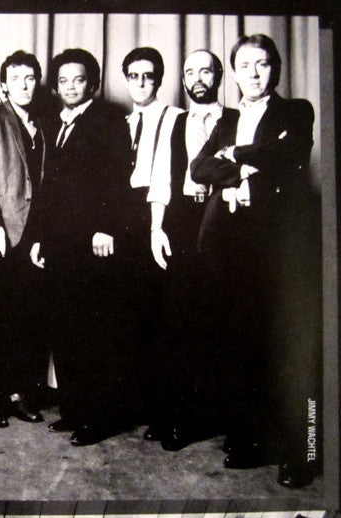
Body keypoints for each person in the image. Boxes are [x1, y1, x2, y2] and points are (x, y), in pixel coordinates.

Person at [191, 34, 321, 488]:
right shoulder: (227, 119)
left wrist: (235, 155)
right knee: (242, 340)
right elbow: (198, 168)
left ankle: (300, 452)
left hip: (279, 244)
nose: (252, 73)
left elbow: (290, 153)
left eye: (261, 64)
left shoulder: (296, 110)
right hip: (231, 244)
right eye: (244, 65)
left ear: (275, 69)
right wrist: (244, 166)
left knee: (287, 345)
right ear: (233, 72)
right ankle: (253, 439)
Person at [29, 48, 132, 446]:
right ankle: (73, 410)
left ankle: (99, 417)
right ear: (56, 87)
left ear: (93, 84)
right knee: (65, 328)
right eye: (63, 81)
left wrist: (106, 228)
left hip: (92, 244)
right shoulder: (53, 123)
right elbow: (47, 190)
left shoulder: (109, 121)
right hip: (59, 244)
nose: (71, 87)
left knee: (93, 332)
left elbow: (117, 180)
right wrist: (39, 237)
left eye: (79, 79)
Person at [148, 49, 238, 451]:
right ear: (182, 79)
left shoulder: (238, 118)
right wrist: (157, 227)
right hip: (183, 221)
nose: (197, 78)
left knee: (221, 318)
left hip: (225, 219)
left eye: (205, 71)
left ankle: (220, 416)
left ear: (219, 75)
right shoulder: (176, 121)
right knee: (180, 319)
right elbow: (161, 178)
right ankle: (179, 417)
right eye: (190, 72)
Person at [0, 50, 47, 428]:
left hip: (31, 236)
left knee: (25, 317)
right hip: (0, 234)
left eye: (30, 78)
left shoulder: (42, 125)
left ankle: (17, 393)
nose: (24, 85)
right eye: (16, 79)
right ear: (3, 85)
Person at [118, 47, 183, 441]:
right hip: (125, 216)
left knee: (162, 315)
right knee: (131, 313)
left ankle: (165, 412)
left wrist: (160, 225)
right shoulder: (122, 123)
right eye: (134, 76)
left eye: (148, 75)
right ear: (126, 80)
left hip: (160, 213)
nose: (141, 83)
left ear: (158, 79)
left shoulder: (176, 118)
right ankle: (137, 405)